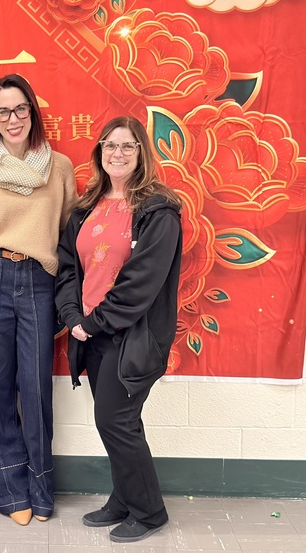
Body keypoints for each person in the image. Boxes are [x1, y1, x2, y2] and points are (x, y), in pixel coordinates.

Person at [0, 73, 78, 526]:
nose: (12, 119)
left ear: (32, 112)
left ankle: (41, 492)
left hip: (39, 279)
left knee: (36, 387)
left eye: (20, 109)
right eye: (3, 111)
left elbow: (69, 238)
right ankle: (9, 492)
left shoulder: (59, 167)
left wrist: (69, 299)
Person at [54, 116, 182, 543]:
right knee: (121, 422)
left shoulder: (157, 211)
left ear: (142, 152)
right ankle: (124, 499)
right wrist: (73, 317)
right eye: (110, 145)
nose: (118, 153)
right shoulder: (86, 207)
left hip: (131, 337)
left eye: (128, 146)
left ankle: (149, 512)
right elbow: (68, 267)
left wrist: (93, 323)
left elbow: (142, 281)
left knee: (115, 421)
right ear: (100, 152)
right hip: (91, 334)